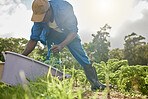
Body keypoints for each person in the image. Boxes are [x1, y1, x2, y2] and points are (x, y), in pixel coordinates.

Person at [22, 0, 107, 90]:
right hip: (52, 35)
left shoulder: (64, 8)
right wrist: (20, 57)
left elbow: (73, 31)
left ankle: (95, 83)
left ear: (49, 11)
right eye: (39, 18)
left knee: (81, 56)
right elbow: (33, 39)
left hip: (69, 33)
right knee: (52, 58)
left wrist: (61, 45)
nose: (41, 20)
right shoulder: (39, 19)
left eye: (43, 17)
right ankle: (54, 86)